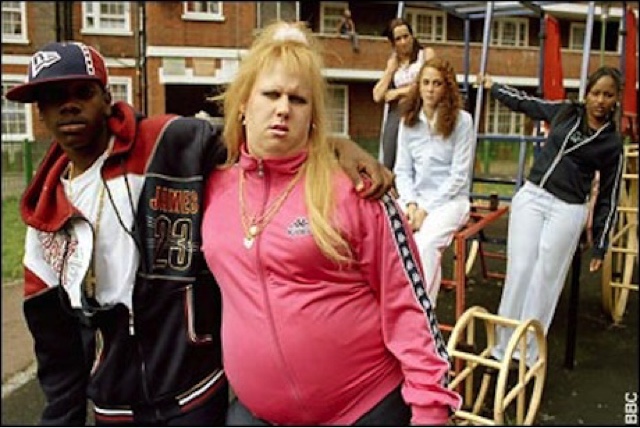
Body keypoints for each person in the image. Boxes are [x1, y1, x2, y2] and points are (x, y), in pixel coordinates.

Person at [6, 41, 393, 426]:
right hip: (115, 406)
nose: (68, 106)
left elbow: (257, 139)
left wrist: (333, 146)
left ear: (107, 98)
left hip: (195, 393)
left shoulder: (167, 143)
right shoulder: (44, 218)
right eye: (53, 98)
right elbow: (54, 342)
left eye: (82, 92)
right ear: (39, 111)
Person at [201, 21, 461, 426]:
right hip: (257, 415)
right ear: (243, 104)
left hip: (365, 409)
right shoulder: (208, 184)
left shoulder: (356, 188)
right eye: (270, 94)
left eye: (298, 99)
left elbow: (409, 304)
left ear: (313, 116)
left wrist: (430, 410)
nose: (283, 108)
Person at [478, 67, 624, 367]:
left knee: (545, 277)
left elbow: (608, 197)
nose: (600, 100)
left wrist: (601, 243)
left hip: (568, 208)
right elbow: (527, 104)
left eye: (608, 95)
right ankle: (502, 347)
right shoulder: (566, 112)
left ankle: (528, 353)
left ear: (616, 99)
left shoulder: (612, 143)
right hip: (534, 196)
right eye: (596, 93)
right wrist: (495, 87)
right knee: (520, 269)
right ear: (586, 94)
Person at [394, 57, 474, 307]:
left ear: (446, 88)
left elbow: (458, 176)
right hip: (415, 199)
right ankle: (400, 304)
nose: (430, 89)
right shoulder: (408, 121)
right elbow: (402, 170)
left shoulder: (462, 121)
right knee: (388, 233)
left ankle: (420, 312)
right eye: (425, 82)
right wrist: (411, 204)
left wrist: (425, 210)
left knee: (425, 244)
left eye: (437, 83)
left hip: (451, 201)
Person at [373, 17, 436, 170]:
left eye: (406, 36)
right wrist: (390, 70)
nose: (403, 42)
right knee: (389, 159)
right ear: (393, 43)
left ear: (412, 36)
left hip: (420, 109)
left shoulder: (425, 55)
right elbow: (377, 95)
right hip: (398, 113)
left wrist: (397, 92)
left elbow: (427, 83)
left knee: (417, 160)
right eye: (398, 39)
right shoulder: (394, 64)